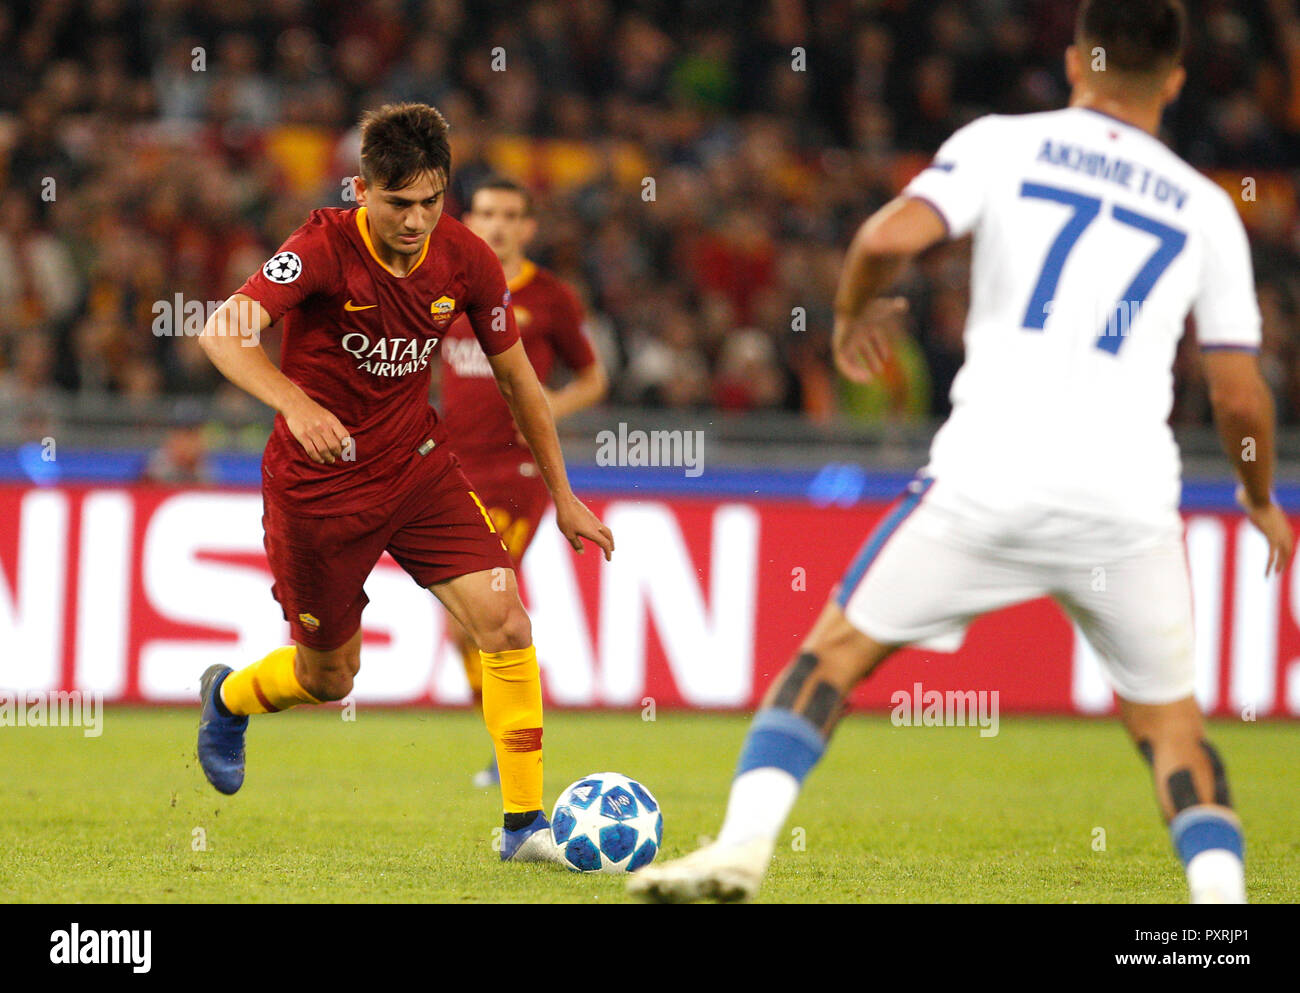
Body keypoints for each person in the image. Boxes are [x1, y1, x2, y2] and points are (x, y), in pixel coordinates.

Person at [630, 0, 1292, 903]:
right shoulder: (1208, 208)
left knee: (830, 658)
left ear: (1073, 61)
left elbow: (883, 237)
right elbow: (1238, 391)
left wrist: (857, 307)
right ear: (1174, 81)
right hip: (1127, 503)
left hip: (988, 475)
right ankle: (1223, 918)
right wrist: (1256, 498)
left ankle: (742, 847)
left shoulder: (1000, 144)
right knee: (1172, 729)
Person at [194, 102, 613, 864]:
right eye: (399, 203)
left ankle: (524, 826)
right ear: (362, 190)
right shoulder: (319, 247)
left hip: (417, 466)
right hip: (318, 489)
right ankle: (228, 698)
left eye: (431, 200)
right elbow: (221, 330)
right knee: (330, 677)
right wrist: (296, 401)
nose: (418, 220)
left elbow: (520, 380)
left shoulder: (467, 259)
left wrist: (564, 494)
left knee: (506, 622)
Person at [438, 177, 607, 787]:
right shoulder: (445, 286)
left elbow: (591, 379)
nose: (498, 225)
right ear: (471, 219)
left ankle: (511, 746)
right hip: (450, 468)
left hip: (518, 472)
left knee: (485, 605)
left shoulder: (552, 297)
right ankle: (506, 736)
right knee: (460, 624)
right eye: (486, 212)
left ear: (528, 227)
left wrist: (546, 410)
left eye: (511, 214)